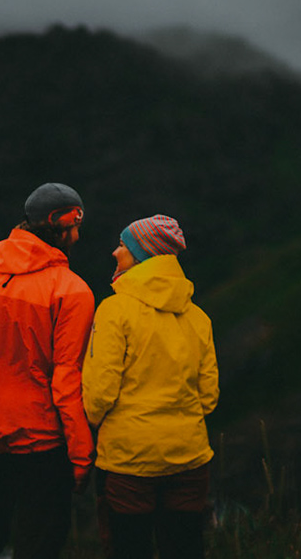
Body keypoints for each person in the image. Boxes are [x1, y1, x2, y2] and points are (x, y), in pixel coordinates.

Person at [0, 181, 97, 559]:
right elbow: (66, 381)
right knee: (38, 546)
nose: (77, 235)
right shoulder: (72, 291)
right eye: (74, 225)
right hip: (42, 444)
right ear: (54, 223)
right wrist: (80, 456)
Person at [83, 215, 218, 559]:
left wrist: (96, 429)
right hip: (189, 456)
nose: (114, 252)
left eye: (123, 246)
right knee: (185, 547)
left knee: (130, 548)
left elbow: (99, 394)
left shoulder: (114, 310)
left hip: (130, 460)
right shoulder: (199, 318)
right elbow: (209, 397)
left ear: (143, 256)